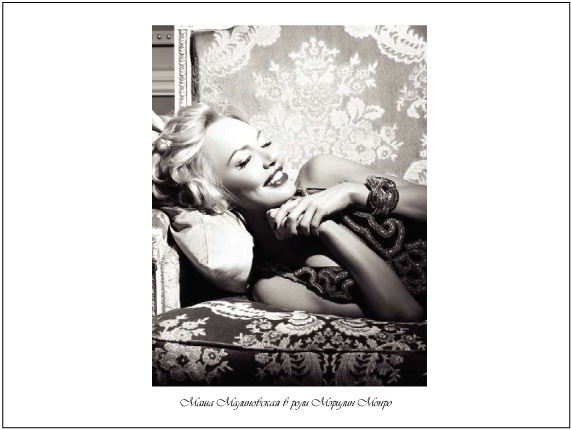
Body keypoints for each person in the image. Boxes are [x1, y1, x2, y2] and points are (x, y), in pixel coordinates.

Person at [152, 103, 427, 322]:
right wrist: (326, 228)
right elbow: (406, 313)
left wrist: (353, 193)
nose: (270, 159)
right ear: (216, 195)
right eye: (245, 161)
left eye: (265, 144)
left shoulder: (322, 173)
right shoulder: (274, 286)